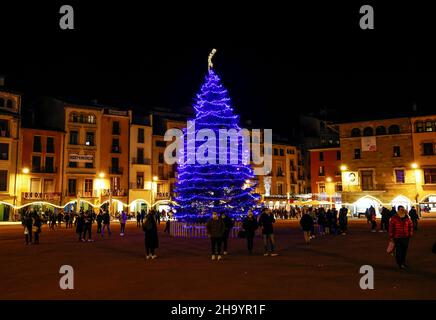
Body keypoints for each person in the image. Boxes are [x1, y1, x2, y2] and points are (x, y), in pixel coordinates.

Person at [389, 205, 413, 270]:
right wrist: (391, 237)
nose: (402, 210)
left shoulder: (407, 217)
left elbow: (410, 225)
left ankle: (403, 263)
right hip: (397, 237)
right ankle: (400, 263)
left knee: (404, 251)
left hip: (405, 237)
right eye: (401, 209)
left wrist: (410, 234)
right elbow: (391, 228)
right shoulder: (394, 218)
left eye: (403, 209)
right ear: (398, 210)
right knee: (399, 251)